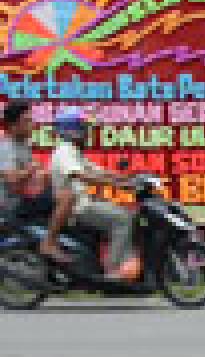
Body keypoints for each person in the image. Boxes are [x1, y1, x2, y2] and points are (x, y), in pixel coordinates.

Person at [49, 108, 139, 279]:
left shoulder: (74, 152)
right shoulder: (64, 152)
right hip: (78, 208)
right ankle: (113, 271)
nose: (87, 133)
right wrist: (119, 185)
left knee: (128, 212)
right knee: (123, 219)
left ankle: (119, 262)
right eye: (84, 128)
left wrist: (130, 178)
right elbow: (80, 175)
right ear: (71, 130)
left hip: (84, 203)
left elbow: (98, 171)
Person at [0, 101, 75, 264]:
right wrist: (33, 169)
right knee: (67, 196)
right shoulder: (5, 147)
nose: (32, 125)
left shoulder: (22, 145)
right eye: (27, 121)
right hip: (14, 205)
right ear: (13, 125)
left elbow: (36, 177)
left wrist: (45, 175)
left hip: (28, 198)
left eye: (31, 120)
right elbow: (11, 178)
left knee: (70, 190)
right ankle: (48, 244)